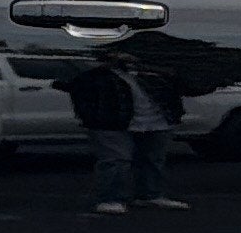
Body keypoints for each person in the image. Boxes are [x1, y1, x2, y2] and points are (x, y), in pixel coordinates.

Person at [64, 48, 191, 215]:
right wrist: (91, 117)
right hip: (111, 123)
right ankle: (110, 198)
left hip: (158, 121)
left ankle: (150, 194)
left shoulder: (151, 72)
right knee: (116, 160)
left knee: (153, 160)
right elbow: (75, 86)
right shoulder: (96, 75)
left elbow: (184, 86)